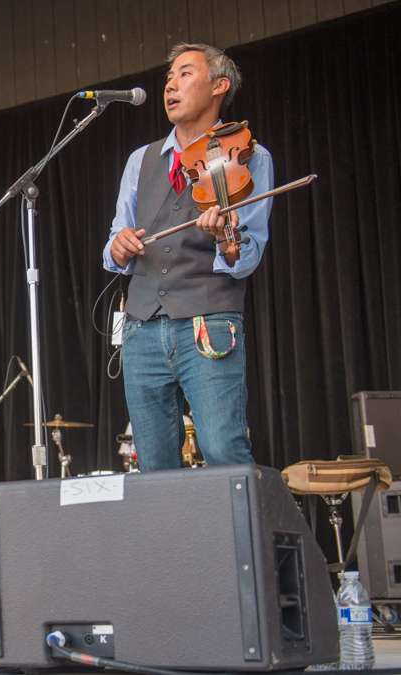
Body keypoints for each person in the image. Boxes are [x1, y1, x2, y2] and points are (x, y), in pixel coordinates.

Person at [103, 43, 273, 471]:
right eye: (168, 79)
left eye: (184, 74)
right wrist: (117, 246)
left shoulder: (249, 156)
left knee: (222, 451)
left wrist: (225, 239)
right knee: (153, 464)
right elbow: (113, 243)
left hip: (208, 322)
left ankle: (242, 539)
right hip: (142, 327)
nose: (170, 85)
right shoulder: (139, 161)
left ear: (219, 86)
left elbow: (246, 255)